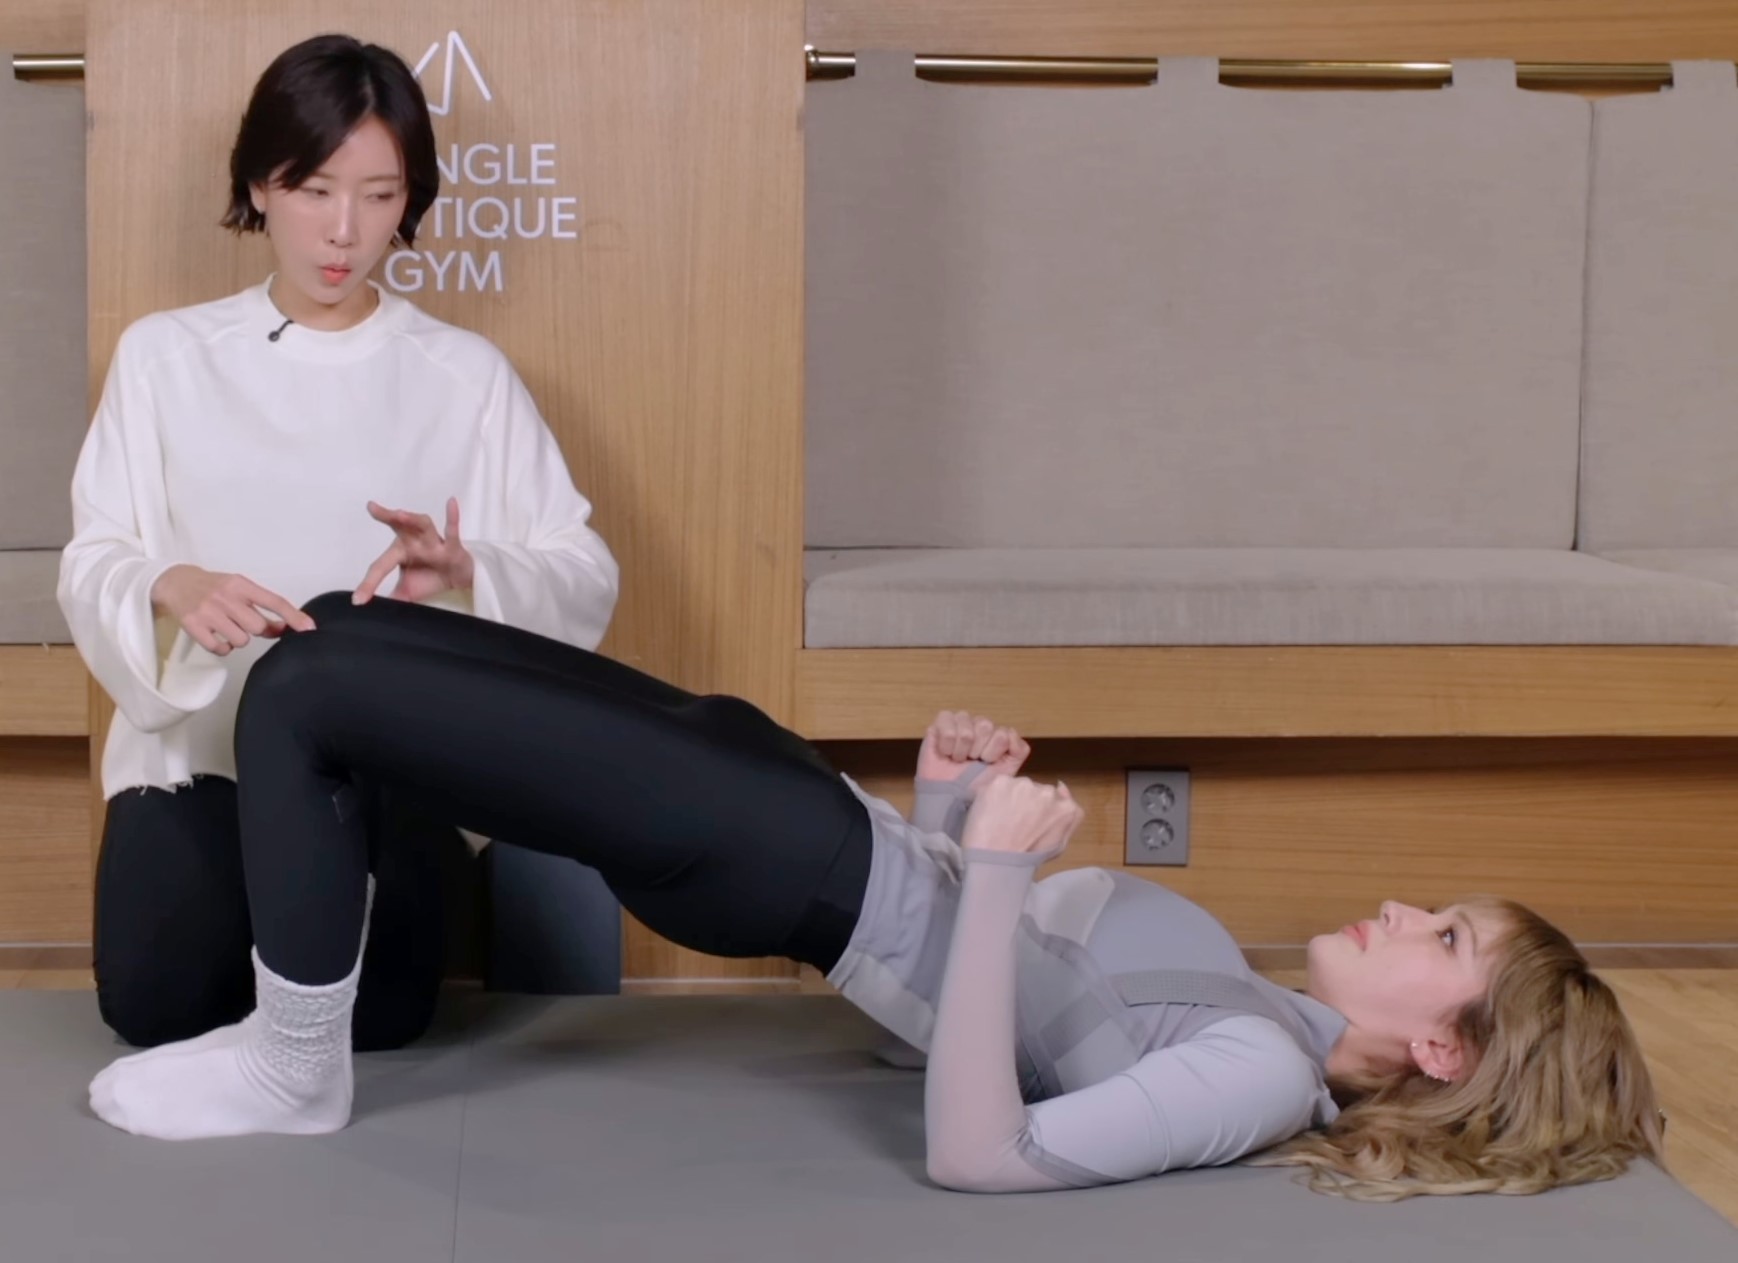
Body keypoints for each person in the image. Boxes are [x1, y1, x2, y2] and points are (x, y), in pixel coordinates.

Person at [83, 595, 1663, 1200]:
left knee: (305, 692)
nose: (1401, 904)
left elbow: (983, 1146)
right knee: (340, 630)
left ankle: (295, 1063)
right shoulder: (1252, 997)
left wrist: (993, 865)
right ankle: (302, 1021)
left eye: (1442, 935)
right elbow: (964, 1004)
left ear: (1444, 1048)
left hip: (774, 859)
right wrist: (954, 805)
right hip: (804, 800)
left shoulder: (1252, 1074)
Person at [56, 35, 619, 1054]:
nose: (345, 231)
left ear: (410, 199)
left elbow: (581, 571)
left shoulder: (464, 374)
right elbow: (95, 556)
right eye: (313, 190)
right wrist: (171, 581)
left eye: (378, 195)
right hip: (200, 762)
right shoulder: (164, 358)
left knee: (379, 1020)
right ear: (259, 186)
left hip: (390, 773)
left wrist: (472, 570)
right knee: (156, 1008)